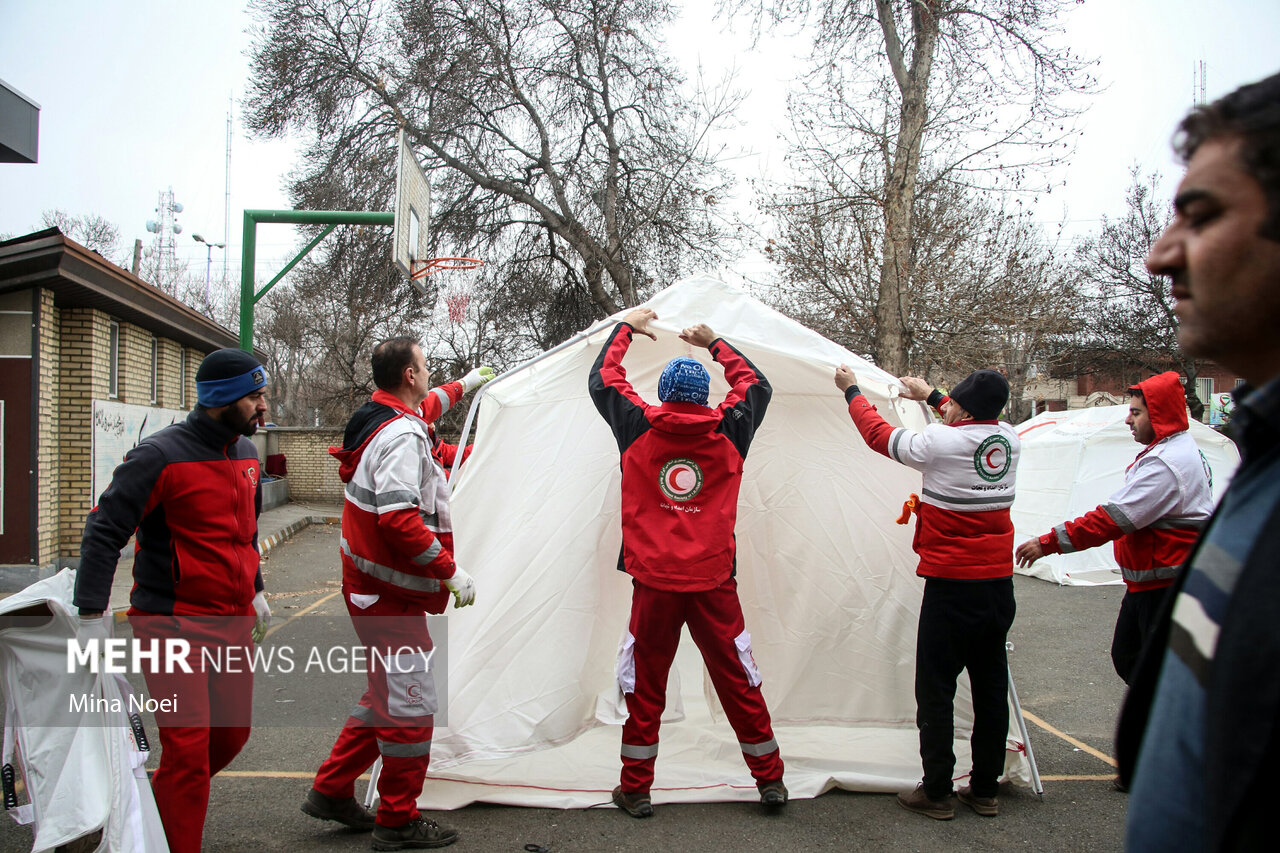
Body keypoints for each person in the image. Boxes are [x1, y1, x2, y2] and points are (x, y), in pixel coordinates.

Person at [1116, 71, 1280, 852]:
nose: (1158, 256)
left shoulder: (1186, 461)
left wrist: (1050, 541)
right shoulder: (1261, 461)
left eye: (1204, 215)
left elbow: (1120, 513)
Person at [588, 308, 787, 818]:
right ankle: (770, 781)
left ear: (665, 394)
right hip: (713, 578)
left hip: (653, 580)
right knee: (739, 679)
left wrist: (627, 328)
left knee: (646, 684)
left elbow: (604, 378)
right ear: (703, 397)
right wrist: (715, 342)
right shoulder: (730, 428)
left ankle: (635, 788)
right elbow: (755, 385)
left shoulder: (636, 422)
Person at [73, 347, 273, 853]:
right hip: (171, 625)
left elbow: (245, 534)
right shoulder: (160, 456)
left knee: (229, 739)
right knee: (186, 753)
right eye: (254, 396)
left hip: (233, 622)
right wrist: (92, 614)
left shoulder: (248, 455)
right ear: (221, 399)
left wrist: (257, 590)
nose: (263, 405)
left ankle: (142, 824)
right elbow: (103, 531)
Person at [302, 337, 478, 850]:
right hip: (388, 594)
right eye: (426, 367)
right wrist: (450, 572)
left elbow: (431, 403)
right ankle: (397, 821)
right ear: (408, 375)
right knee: (412, 706)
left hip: (371, 590)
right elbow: (399, 518)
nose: (430, 376)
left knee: (386, 693)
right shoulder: (402, 438)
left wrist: (466, 386)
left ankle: (332, 790)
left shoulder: (378, 414)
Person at [833, 367, 1018, 820]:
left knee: (935, 688)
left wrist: (852, 392)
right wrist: (932, 394)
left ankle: (936, 790)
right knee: (990, 689)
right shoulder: (1010, 439)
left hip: (952, 586)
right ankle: (984, 788)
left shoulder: (939, 442)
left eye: (951, 401)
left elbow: (880, 436)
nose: (946, 405)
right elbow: (965, 420)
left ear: (963, 409)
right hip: (997, 585)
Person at [1015, 371, 1212, 684]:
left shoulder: (1166, 463)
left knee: (1150, 672)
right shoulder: (1171, 451)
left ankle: (1163, 727)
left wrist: (1048, 543)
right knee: (1132, 660)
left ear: (1158, 414)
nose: (1128, 421)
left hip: (1163, 588)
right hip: (1148, 585)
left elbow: (1112, 519)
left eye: (1135, 413)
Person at [420, 365, 495, 476]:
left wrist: (488, 447)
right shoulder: (406, 437)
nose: (427, 373)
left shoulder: (430, 444)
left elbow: (459, 455)